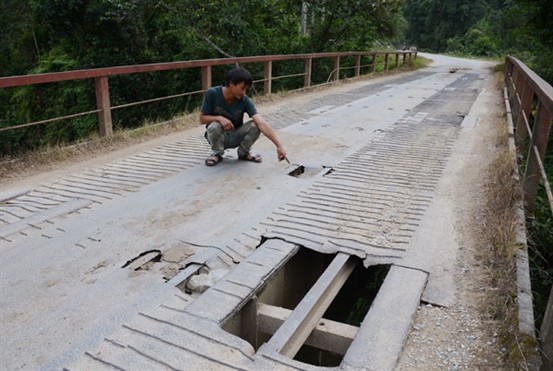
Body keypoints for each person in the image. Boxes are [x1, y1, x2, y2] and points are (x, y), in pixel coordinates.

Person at [199, 67, 288, 166]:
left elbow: (261, 122)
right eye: (242, 88)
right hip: (217, 136)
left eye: (246, 89)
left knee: (256, 124)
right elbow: (202, 119)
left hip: (236, 135)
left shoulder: (245, 100)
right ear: (232, 84)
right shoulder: (213, 93)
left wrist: (279, 146)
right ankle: (217, 153)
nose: (244, 92)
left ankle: (243, 152)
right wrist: (219, 118)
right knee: (214, 126)